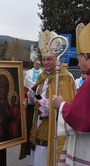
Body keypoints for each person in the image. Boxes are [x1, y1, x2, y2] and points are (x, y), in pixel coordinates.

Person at [28, 30, 76, 166]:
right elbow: (39, 95)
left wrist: (48, 106)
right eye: (44, 59)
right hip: (37, 129)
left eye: (49, 59)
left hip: (52, 133)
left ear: (57, 60)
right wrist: (32, 95)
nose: (45, 62)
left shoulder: (65, 78)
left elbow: (67, 105)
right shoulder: (42, 76)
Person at [52, 23, 90, 165]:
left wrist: (60, 105)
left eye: (79, 58)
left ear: (85, 56)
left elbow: (81, 118)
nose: (78, 64)